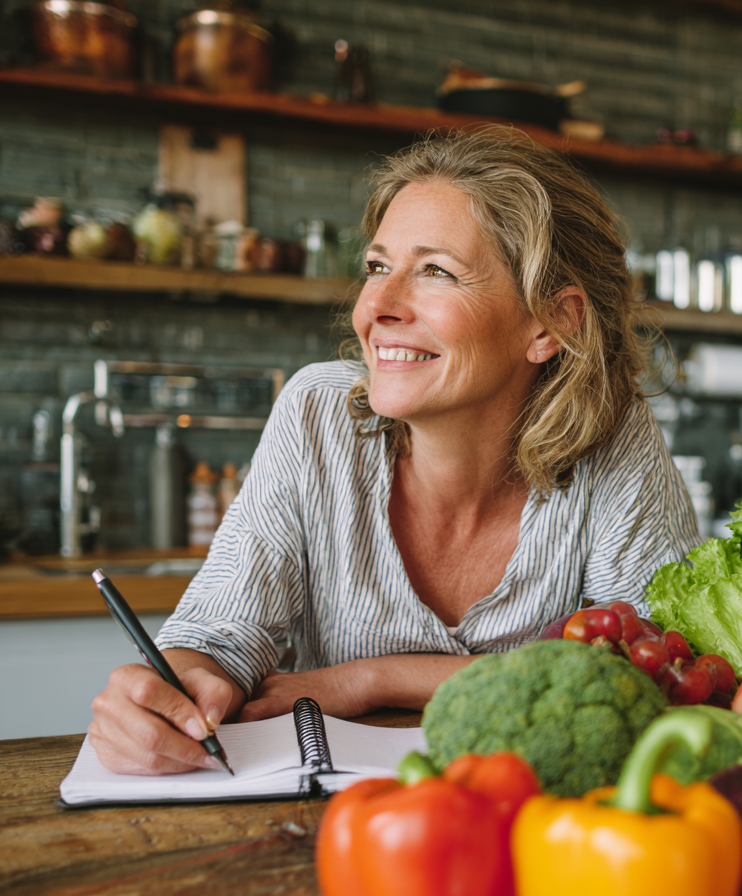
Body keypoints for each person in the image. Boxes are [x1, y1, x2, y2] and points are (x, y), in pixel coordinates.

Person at [89, 127, 701, 775]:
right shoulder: (316, 414)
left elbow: (657, 672)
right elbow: (216, 637)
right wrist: (172, 693)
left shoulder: (613, 435)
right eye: (377, 267)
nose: (375, 306)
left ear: (554, 322)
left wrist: (372, 679)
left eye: (435, 271)